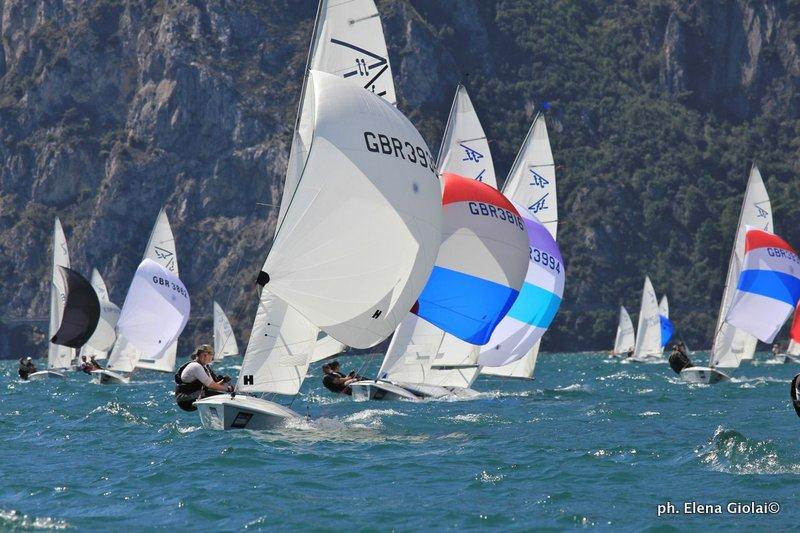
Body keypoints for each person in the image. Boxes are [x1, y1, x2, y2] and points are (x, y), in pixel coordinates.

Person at [174, 344, 232, 412]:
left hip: (194, 395)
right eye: (204, 355)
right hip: (184, 399)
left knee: (223, 396)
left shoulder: (204, 367)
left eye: (209, 355)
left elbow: (212, 385)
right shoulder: (195, 367)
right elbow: (211, 385)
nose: (210, 357)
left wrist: (223, 381)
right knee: (224, 397)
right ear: (200, 355)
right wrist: (227, 389)